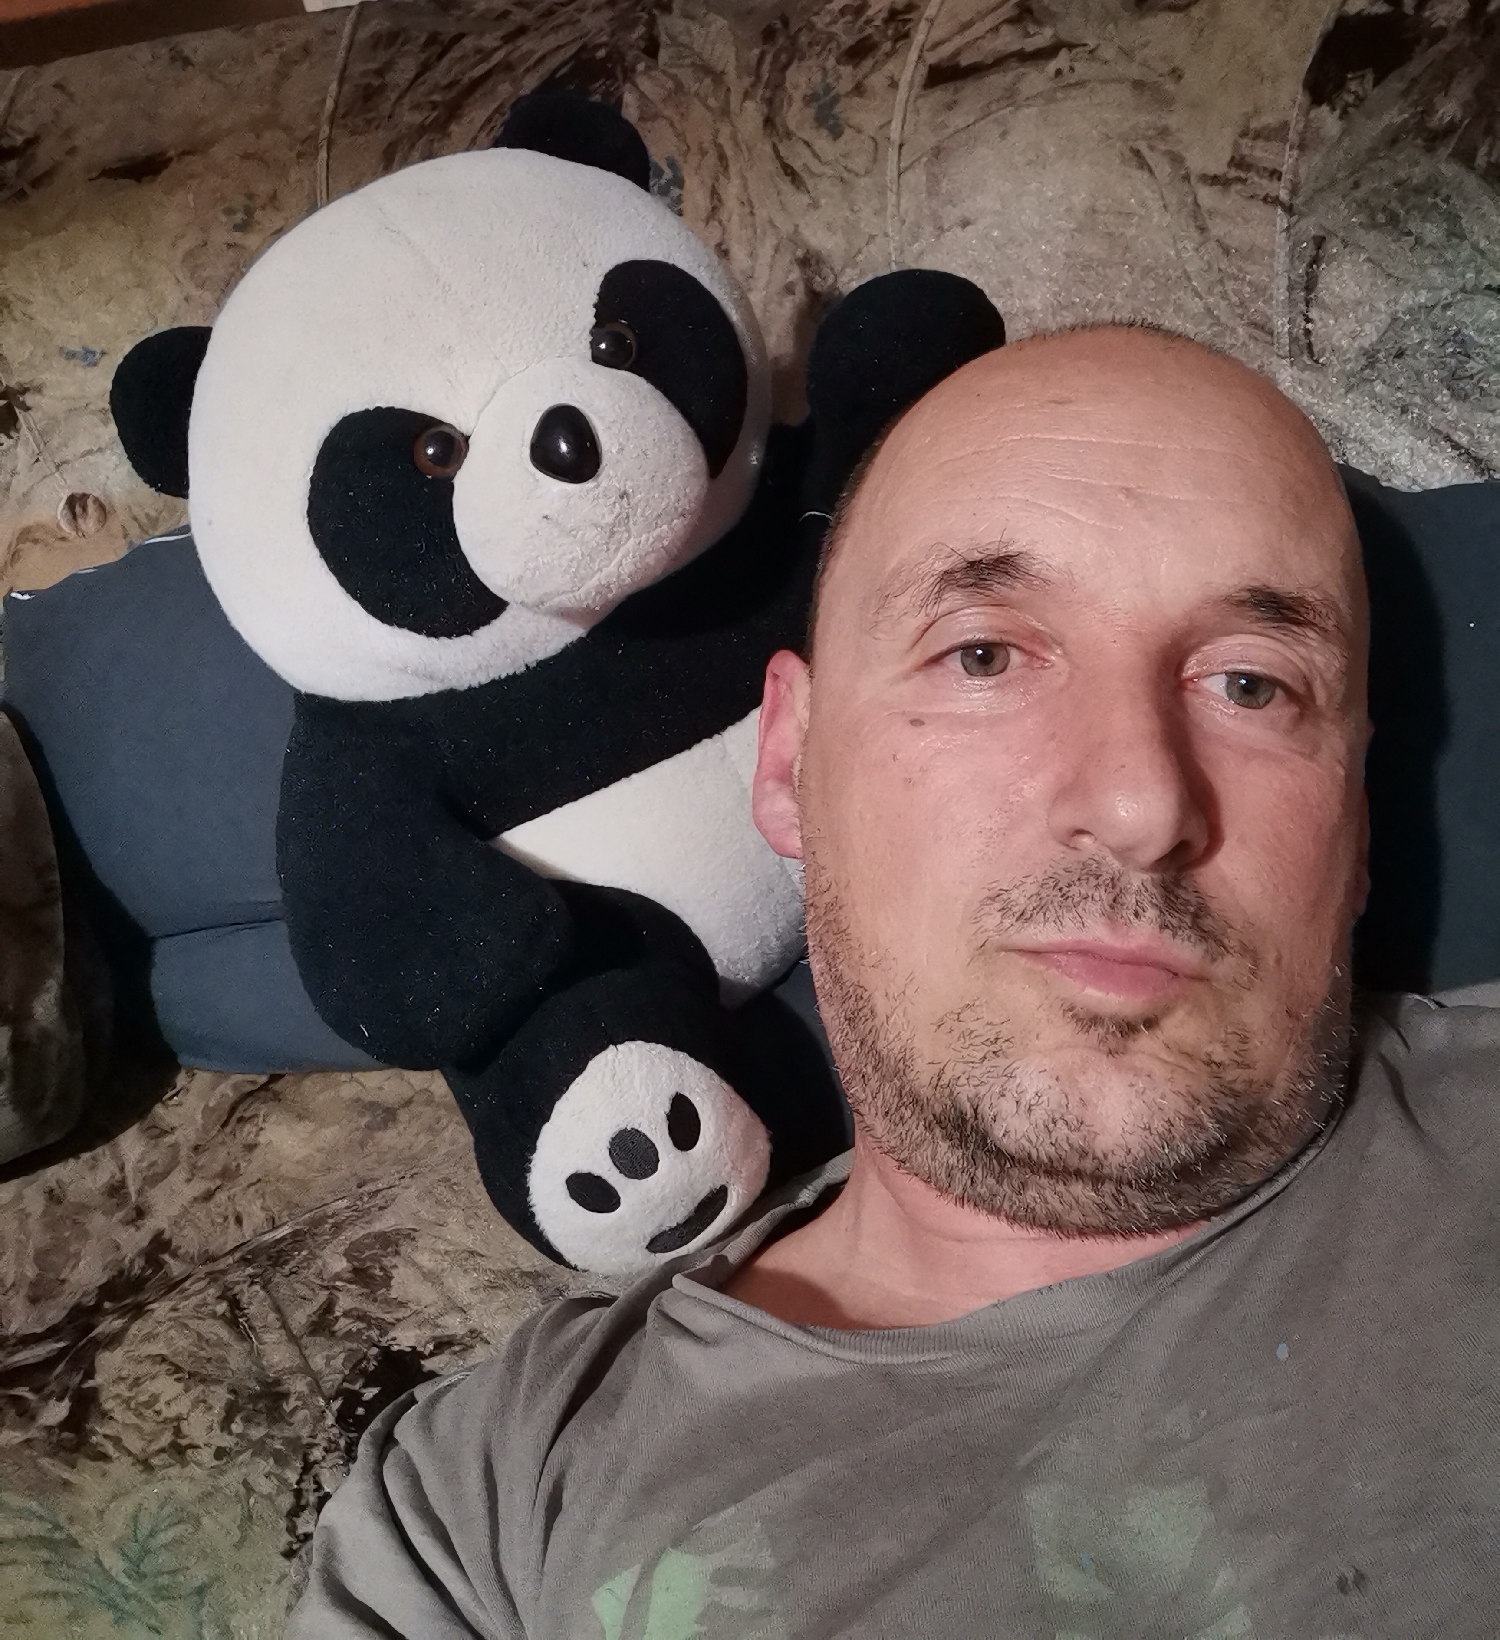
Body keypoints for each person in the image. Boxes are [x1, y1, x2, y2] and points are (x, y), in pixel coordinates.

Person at [291, 325, 1499, 1639]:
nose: (1141, 801)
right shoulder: (479, 1508)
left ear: (1358, 824)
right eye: (984, 655)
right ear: (790, 764)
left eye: (1253, 685)